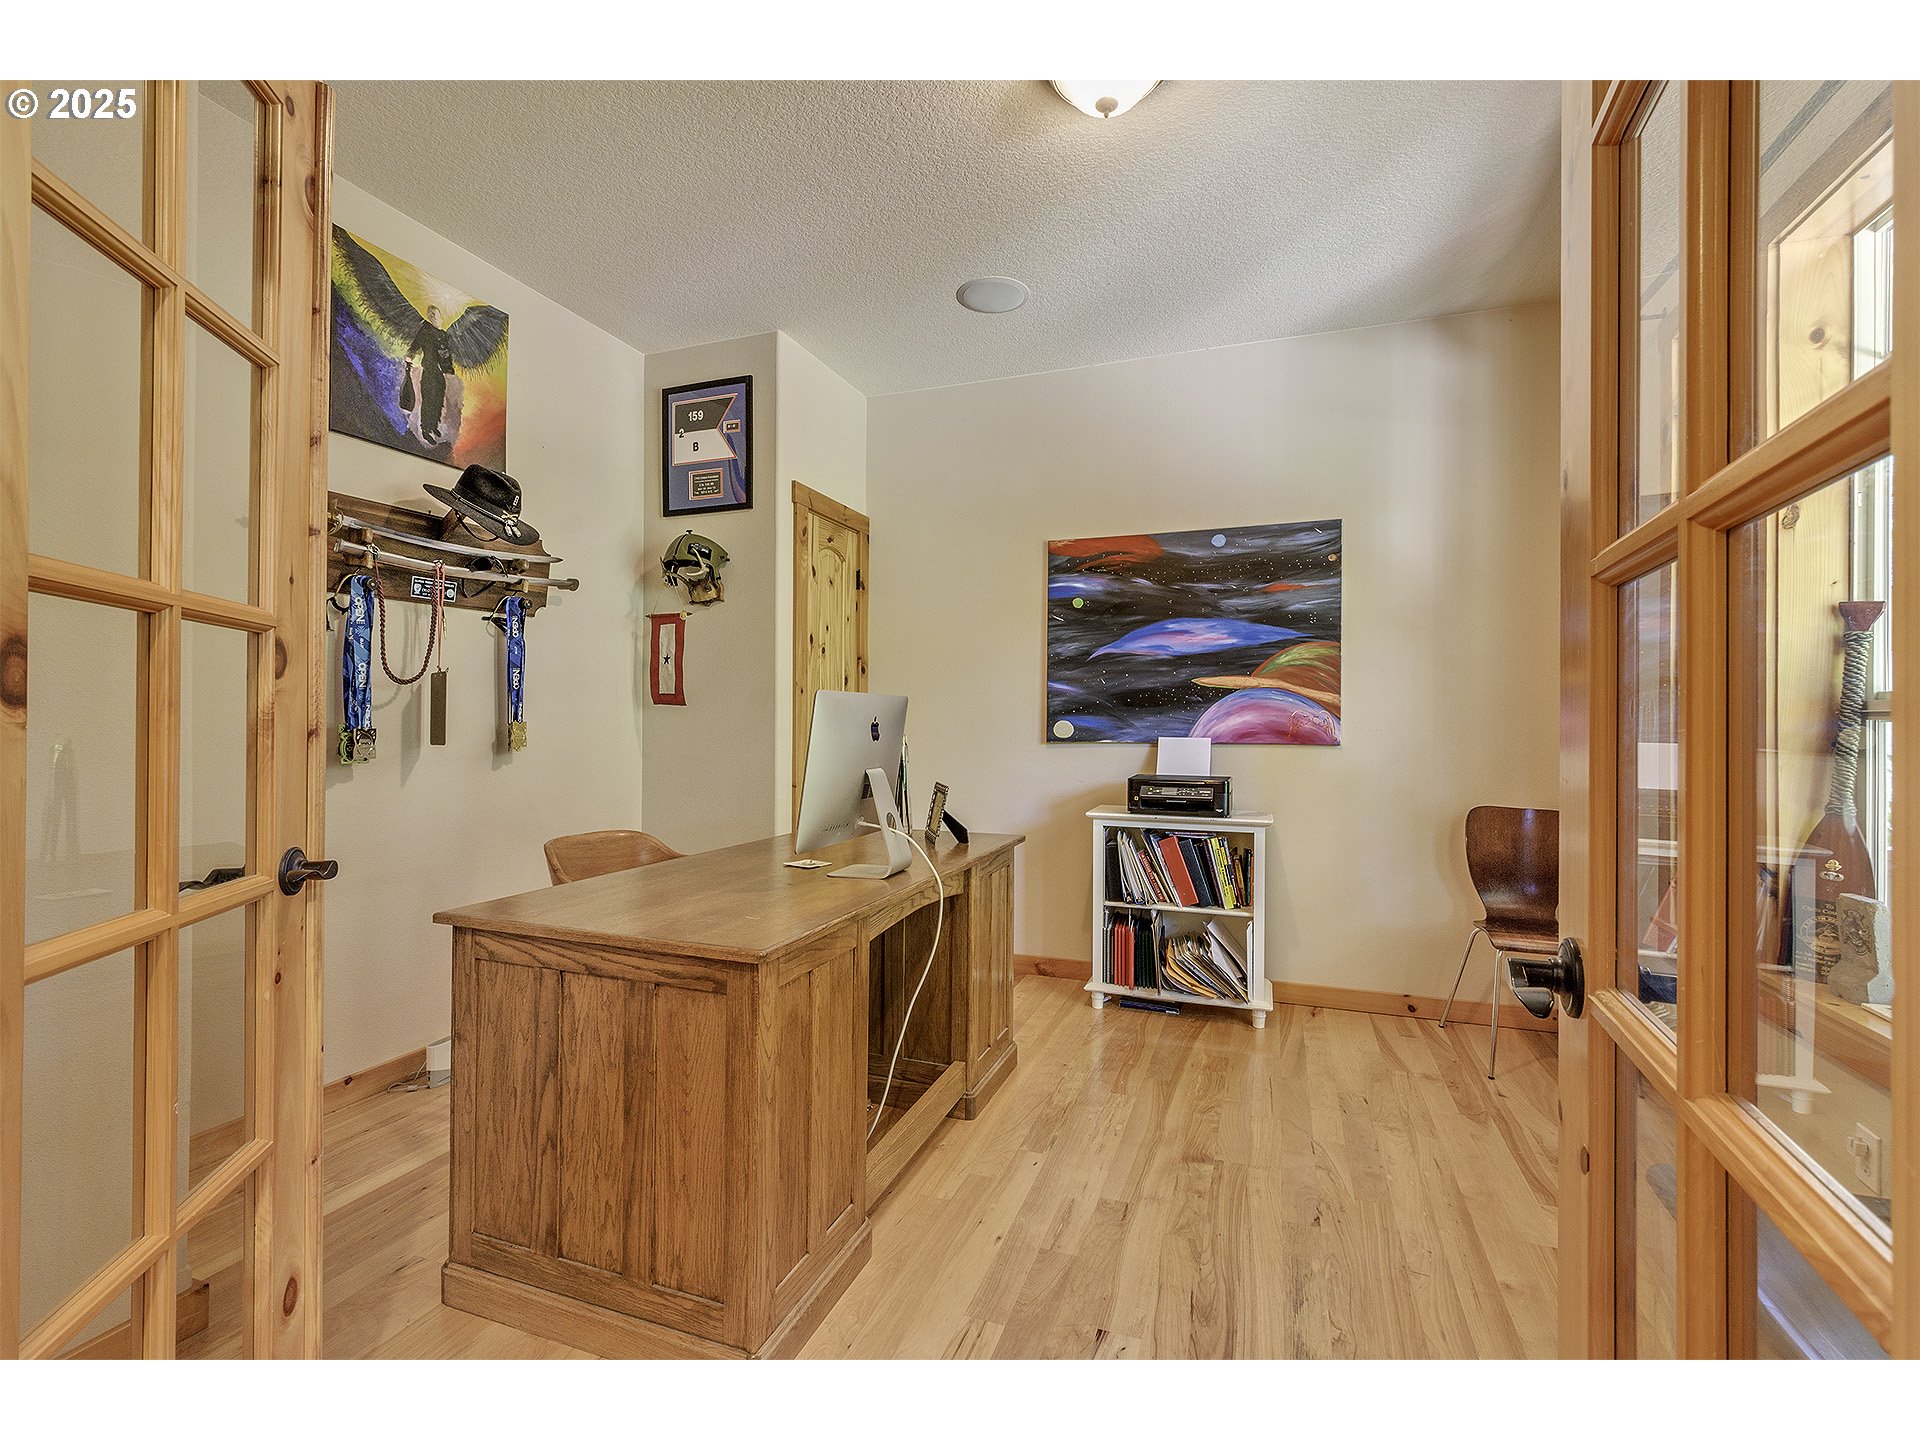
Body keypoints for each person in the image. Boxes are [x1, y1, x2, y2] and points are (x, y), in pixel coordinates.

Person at [406, 304, 457, 444]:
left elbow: (446, 355)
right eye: (434, 315)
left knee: (438, 400)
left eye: (438, 315)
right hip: (429, 371)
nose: (437, 318)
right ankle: (425, 430)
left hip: (439, 373)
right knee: (429, 400)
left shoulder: (443, 334)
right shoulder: (425, 331)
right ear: (430, 317)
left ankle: (434, 426)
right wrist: (409, 356)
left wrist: (448, 369)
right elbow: (415, 345)